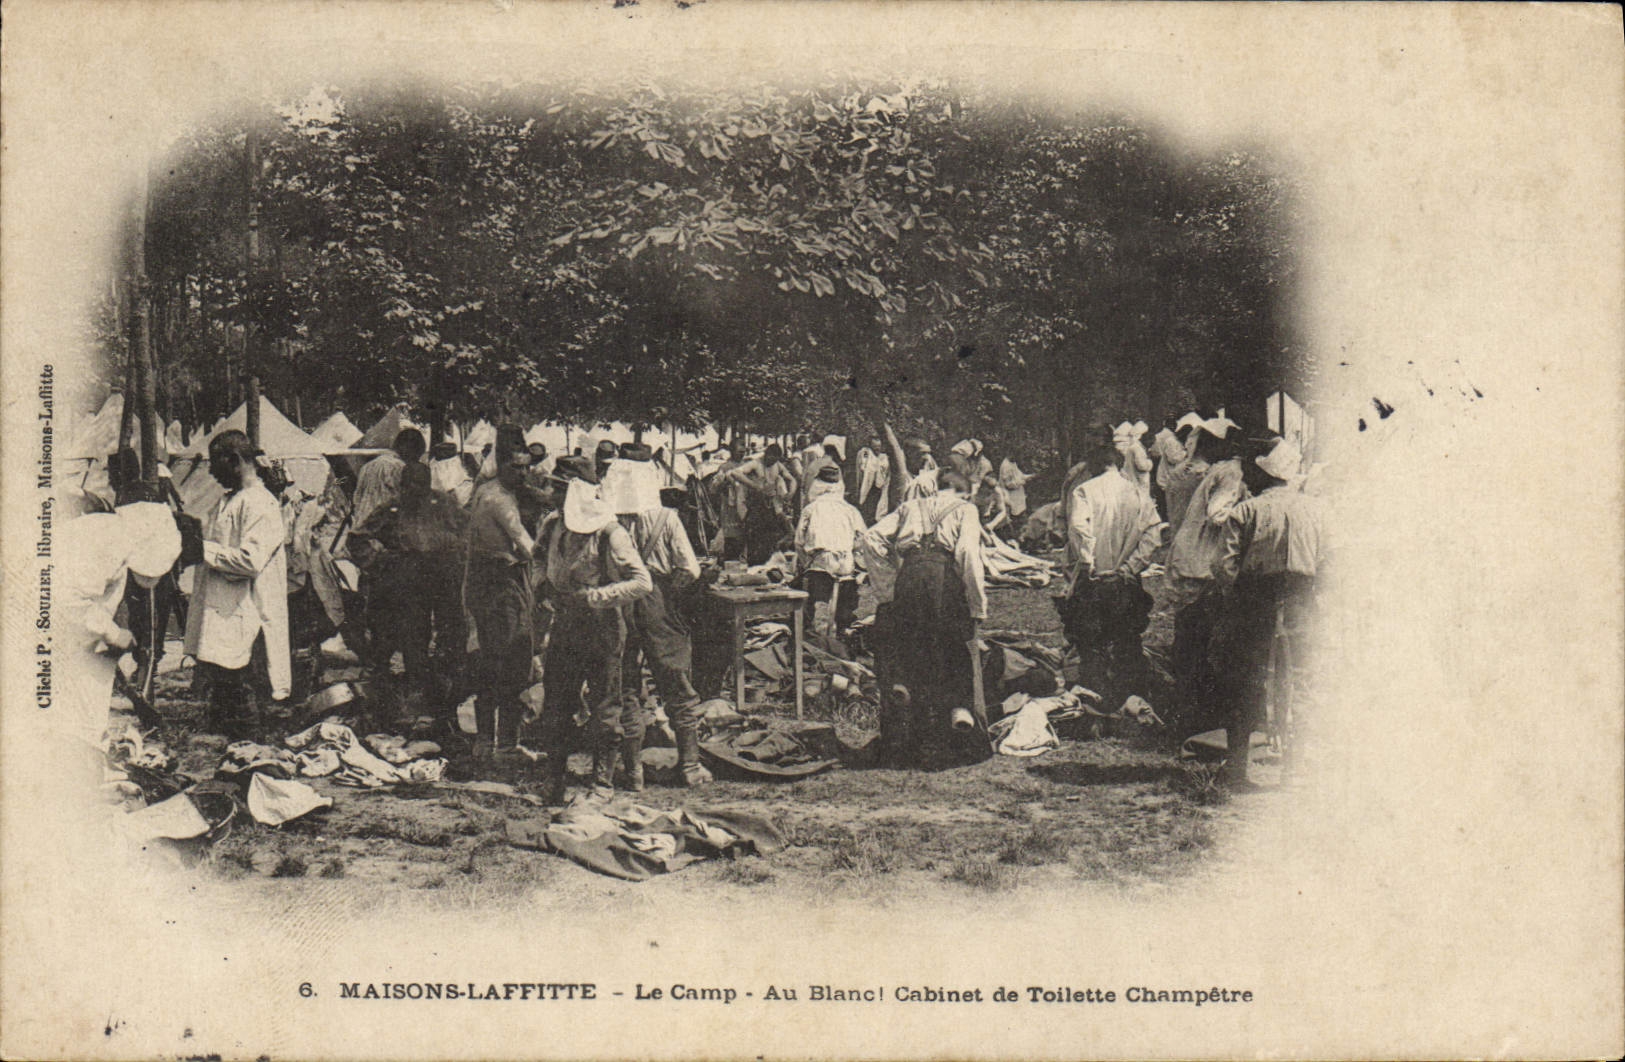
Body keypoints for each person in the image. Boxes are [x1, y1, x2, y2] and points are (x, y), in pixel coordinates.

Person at [1209, 438, 1322, 787]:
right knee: (1301, 680)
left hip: (1254, 603)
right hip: (1302, 602)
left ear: (1264, 475)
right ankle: (1295, 770)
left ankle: (1237, 769)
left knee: (1245, 679)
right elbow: (1332, 562)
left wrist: (1237, 596)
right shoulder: (1318, 510)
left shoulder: (1246, 511)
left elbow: (1222, 566)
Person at [534, 475, 652, 804]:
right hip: (565, 625)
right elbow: (537, 557)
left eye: (560, 490)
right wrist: (542, 584)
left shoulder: (611, 534)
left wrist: (594, 597)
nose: (552, 495)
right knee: (557, 704)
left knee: (605, 707)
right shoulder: (552, 525)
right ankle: (555, 780)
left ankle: (602, 783)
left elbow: (642, 582)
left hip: (602, 627)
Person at [862, 469, 990, 768]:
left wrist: (887, 586)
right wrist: (977, 605)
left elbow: (870, 538)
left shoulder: (910, 506)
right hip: (943, 581)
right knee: (953, 651)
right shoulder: (965, 509)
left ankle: (910, 739)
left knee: (911, 654)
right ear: (964, 492)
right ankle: (958, 732)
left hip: (908, 578)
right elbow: (968, 553)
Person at [604, 452, 707, 790]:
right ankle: (690, 766)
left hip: (620, 602)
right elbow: (690, 569)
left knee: (626, 685)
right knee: (676, 680)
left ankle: (633, 771)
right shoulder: (667, 518)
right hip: (658, 601)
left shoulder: (607, 520)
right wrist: (668, 593)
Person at [58, 503, 182, 772]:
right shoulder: (109, 543)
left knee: (81, 716)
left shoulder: (110, 531)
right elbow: (68, 600)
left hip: (73, 635)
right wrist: (113, 633)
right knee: (74, 720)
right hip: (55, 635)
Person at [184, 430, 292, 737]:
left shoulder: (260, 503)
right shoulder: (228, 501)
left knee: (247, 700)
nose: (211, 473)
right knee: (225, 697)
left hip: (249, 615)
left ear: (234, 460)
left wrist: (201, 549)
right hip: (225, 616)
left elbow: (250, 561)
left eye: (215, 464)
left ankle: (253, 746)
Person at [350, 461, 469, 727]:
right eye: (410, 486)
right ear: (402, 486)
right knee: (414, 636)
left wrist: (459, 556)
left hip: (444, 578)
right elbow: (357, 538)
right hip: (409, 580)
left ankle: (448, 699)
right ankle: (417, 697)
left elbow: (468, 531)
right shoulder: (392, 508)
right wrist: (379, 562)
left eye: (421, 486)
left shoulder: (444, 503)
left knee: (451, 634)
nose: (416, 491)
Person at [1060, 435, 1165, 711]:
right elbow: (1153, 536)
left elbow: (1079, 529)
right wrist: (1129, 568)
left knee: (1090, 641)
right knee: (1127, 639)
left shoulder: (1084, 491)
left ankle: (1097, 698)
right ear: (1118, 465)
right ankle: (1131, 697)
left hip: (1093, 579)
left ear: (1094, 466)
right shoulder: (1138, 494)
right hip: (1125, 580)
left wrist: (1089, 564)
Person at [1162, 418, 1248, 734]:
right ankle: (1199, 718)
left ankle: (1186, 714)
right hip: (1201, 564)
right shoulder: (1231, 472)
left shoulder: (1209, 471)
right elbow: (1217, 514)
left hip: (1189, 558)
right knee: (1202, 642)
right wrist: (1250, 514)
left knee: (1189, 639)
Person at [462, 427, 536, 762]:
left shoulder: (485, 490)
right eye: (516, 467)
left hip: (486, 581)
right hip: (501, 585)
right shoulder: (500, 500)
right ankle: (503, 744)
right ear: (501, 464)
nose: (523, 473)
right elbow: (525, 544)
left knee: (491, 660)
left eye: (526, 467)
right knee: (511, 659)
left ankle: (487, 742)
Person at [796, 464, 868, 638]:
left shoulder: (811, 509)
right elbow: (863, 538)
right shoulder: (850, 510)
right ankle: (843, 633)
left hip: (821, 562)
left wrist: (806, 562)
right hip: (845, 563)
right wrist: (850, 549)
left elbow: (798, 542)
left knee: (807, 597)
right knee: (845, 604)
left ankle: (809, 632)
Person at [724, 443, 797, 565]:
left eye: (774, 461)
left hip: (770, 506)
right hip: (755, 506)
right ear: (766, 454)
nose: (771, 463)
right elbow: (735, 473)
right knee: (754, 538)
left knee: (770, 536)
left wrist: (790, 493)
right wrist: (755, 486)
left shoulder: (777, 465)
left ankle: (765, 564)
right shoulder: (756, 463)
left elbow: (792, 479)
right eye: (770, 459)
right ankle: (753, 564)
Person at [351, 428, 425, 530]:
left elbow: (357, 498)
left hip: (360, 526)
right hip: (382, 529)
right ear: (409, 448)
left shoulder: (367, 466)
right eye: (416, 455)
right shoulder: (400, 467)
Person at [855, 436, 891, 523]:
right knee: (866, 508)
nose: (877, 450)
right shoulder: (866, 455)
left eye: (879, 447)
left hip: (880, 487)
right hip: (868, 486)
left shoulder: (884, 458)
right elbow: (863, 467)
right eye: (875, 448)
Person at [1113, 421, 1153, 498]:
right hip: (1139, 479)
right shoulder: (1137, 448)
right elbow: (1142, 466)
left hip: (1133, 477)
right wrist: (1150, 463)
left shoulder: (1132, 447)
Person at [999, 454, 1034, 520]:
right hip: (1011, 495)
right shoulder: (1006, 466)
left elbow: (1019, 475)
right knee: (1014, 514)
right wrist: (1022, 482)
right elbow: (1009, 485)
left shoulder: (1012, 463)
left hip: (1018, 494)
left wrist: (1030, 476)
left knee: (1020, 510)